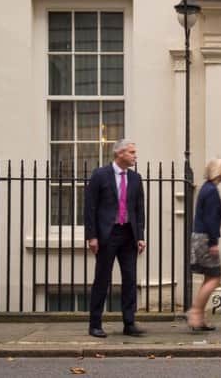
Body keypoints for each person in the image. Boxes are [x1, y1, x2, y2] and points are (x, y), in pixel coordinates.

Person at [85, 139, 146, 338]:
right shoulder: (100, 175)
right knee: (102, 279)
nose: (135, 155)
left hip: (128, 234)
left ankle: (129, 323)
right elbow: (90, 207)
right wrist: (92, 236)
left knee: (130, 279)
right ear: (119, 153)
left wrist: (140, 236)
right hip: (107, 235)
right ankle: (95, 324)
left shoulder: (136, 178)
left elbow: (139, 210)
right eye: (132, 152)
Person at [186, 158, 221, 331]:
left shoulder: (207, 188)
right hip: (205, 239)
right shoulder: (211, 191)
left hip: (199, 237)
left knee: (208, 277)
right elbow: (211, 220)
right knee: (215, 277)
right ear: (219, 171)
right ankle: (195, 313)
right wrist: (213, 242)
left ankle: (199, 317)